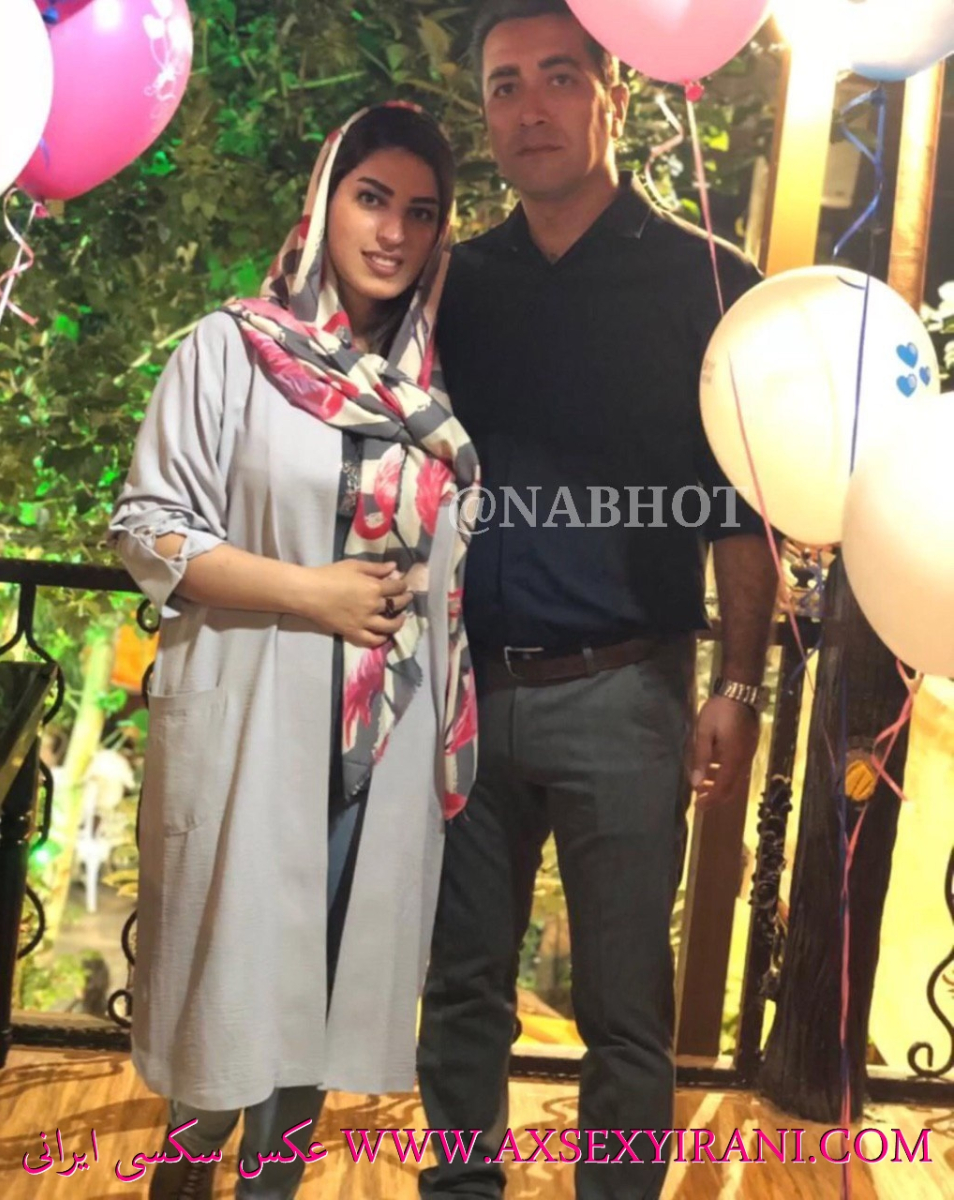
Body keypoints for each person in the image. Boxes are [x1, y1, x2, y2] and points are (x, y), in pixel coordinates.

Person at [417, 4, 778, 1199]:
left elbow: (745, 512)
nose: (530, 108)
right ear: (485, 113)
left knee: (625, 1011)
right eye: (504, 85)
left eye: (558, 78)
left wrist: (736, 688)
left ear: (611, 99)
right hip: (466, 694)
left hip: (626, 695)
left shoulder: (707, 281)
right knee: (459, 988)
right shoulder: (456, 283)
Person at [109, 102, 479, 1200]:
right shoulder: (231, 349)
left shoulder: (426, 393)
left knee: (309, 1017)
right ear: (324, 204)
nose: (393, 233)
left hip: (373, 749)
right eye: (371, 199)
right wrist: (311, 593)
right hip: (256, 723)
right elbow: (147, 529)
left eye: (420, 212)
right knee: (225, 1018)